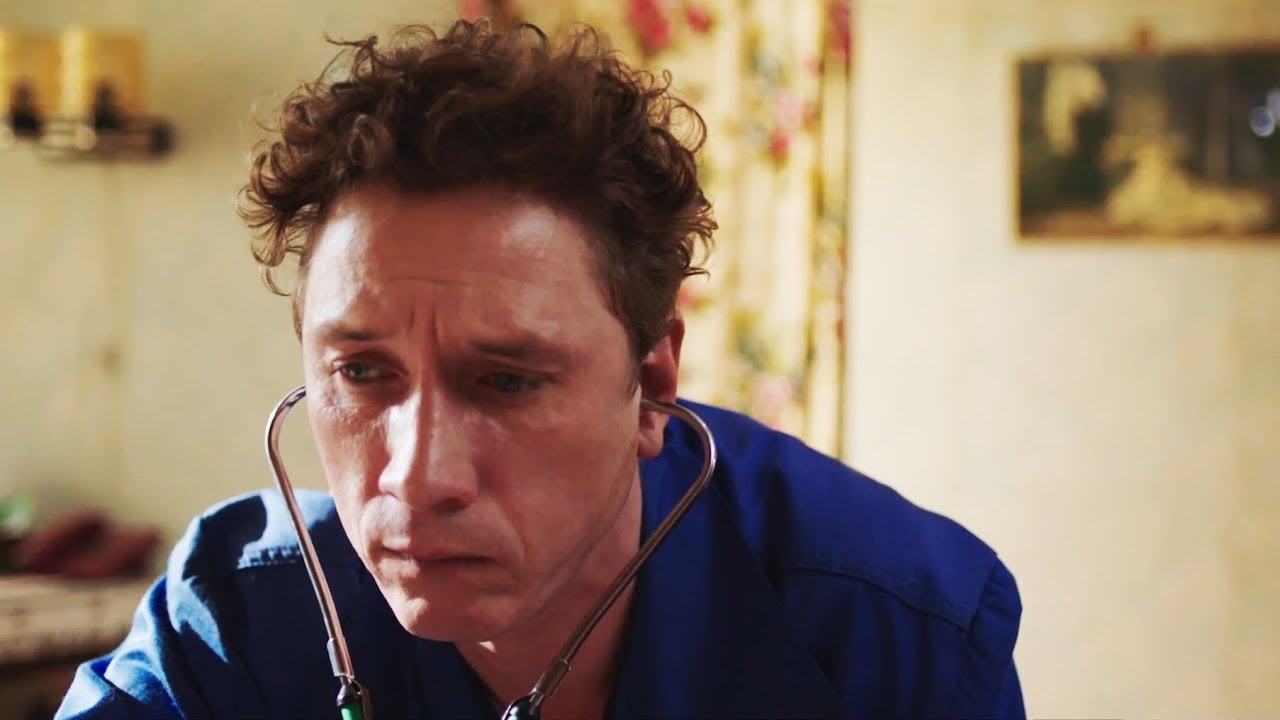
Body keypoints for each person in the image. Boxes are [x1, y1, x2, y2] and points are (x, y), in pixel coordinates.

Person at [56, 18, 1024, 720]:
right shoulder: (238, 615)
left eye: (507, 381)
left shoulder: (898, 631)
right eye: (361, 373)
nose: (417, 478)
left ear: (650, 388)